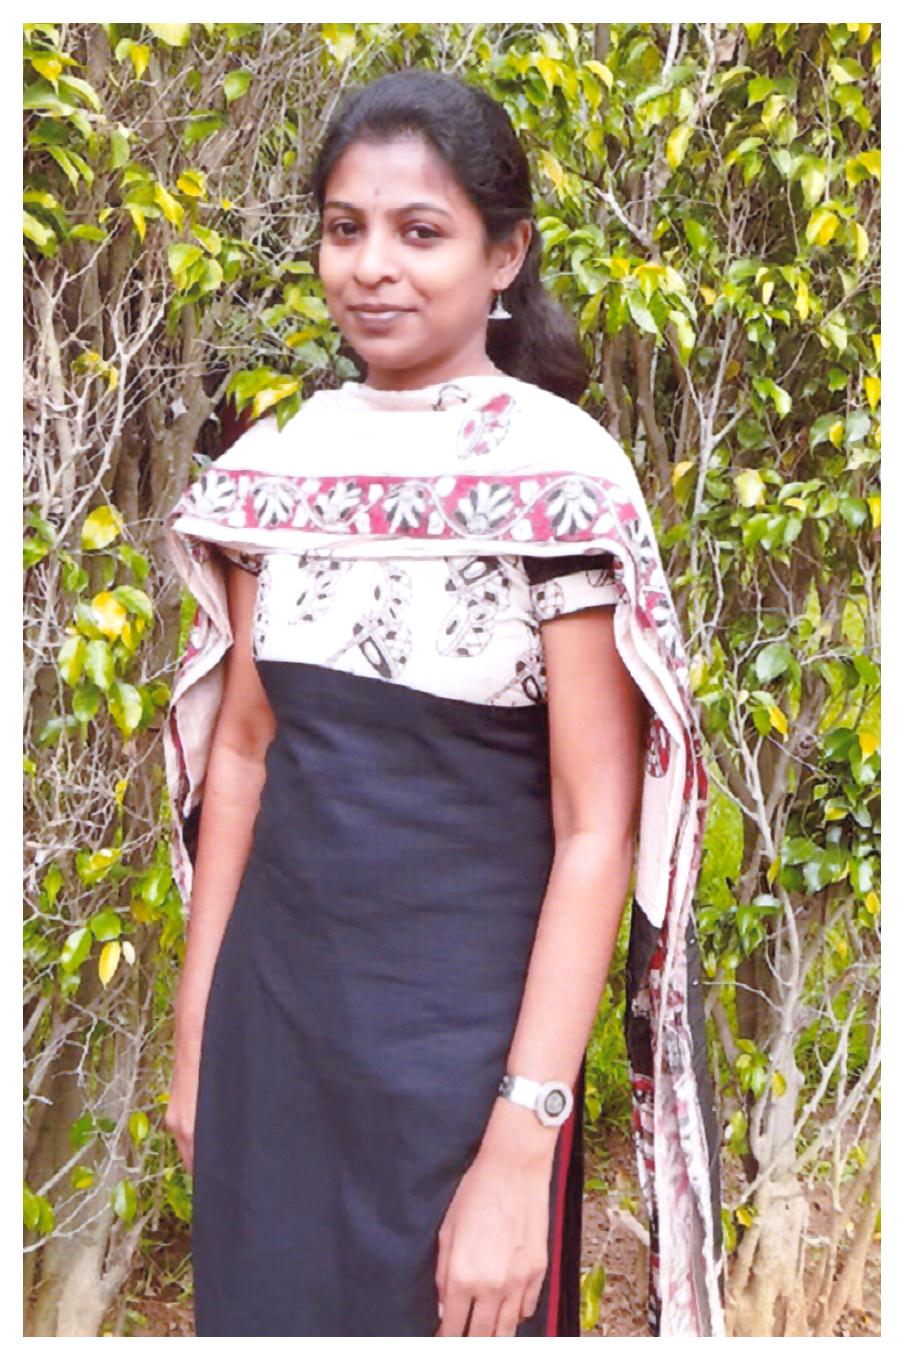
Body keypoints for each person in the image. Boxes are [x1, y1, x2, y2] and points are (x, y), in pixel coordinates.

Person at [162, 69, 725, 1338]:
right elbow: (242, 757)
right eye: (344, 228)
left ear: (504, 254)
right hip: (271, 1034)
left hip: (465, 1063)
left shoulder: (560, 480)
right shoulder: (277, 467)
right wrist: (197, 1038)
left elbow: (595, 828)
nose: (373, 266)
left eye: (420, 232)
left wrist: (524, 1141)